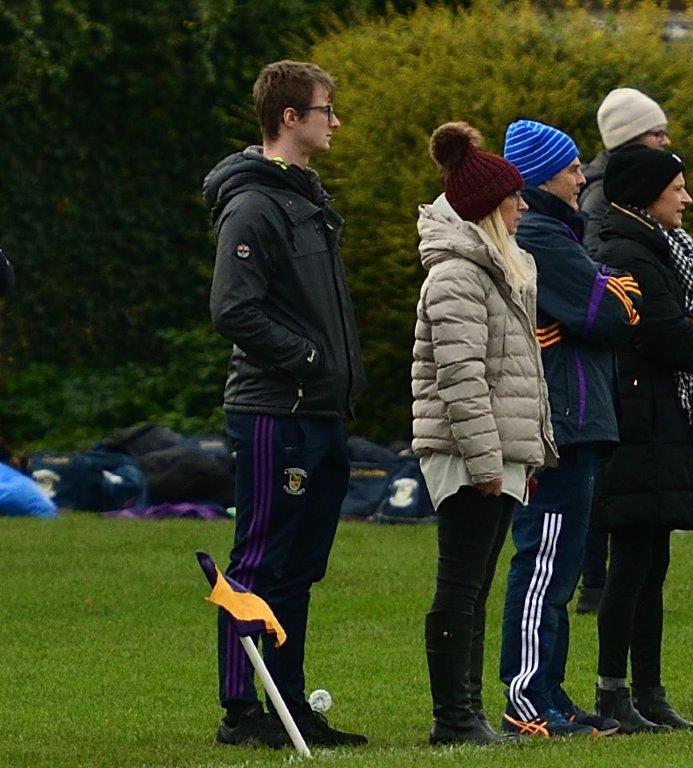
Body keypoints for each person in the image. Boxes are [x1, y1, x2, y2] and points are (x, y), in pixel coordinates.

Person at [204, 59, 367, 748]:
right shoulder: (254, 204)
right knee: (261, 560)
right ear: (291, 117)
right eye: (326, 109)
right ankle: (243, 711)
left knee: (301, 567)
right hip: (276, 410)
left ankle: (288, 703)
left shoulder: (308, 200)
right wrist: (306, 360)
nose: (335, 121)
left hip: (321, 413)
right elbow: (233, 310)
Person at [413, 121, 558, 744]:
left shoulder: (498, 271)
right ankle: (454, 717)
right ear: (487, 208)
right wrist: (485, 461)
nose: (523, 206)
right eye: (513, 197)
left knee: (476, 589)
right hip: (472, 452)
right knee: (461, 585)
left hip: (499, 451)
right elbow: (461, 377)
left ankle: (468, 713)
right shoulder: (457, 276)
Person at [498, 119, 640, 738]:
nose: (584, 177)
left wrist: (599, 302)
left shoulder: (559, 234)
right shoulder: (541, 235)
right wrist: (606, 297)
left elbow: (607, 311)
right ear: (541, 178)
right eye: (573, 168)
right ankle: (528, 695)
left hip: (577, 420)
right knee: (544, 560)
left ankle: (550, 690)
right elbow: (613, 314)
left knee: (561, 563)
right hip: (558, 424)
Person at [594, 146, 693, 732]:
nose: (685, 197)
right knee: (630, 564)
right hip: (637, 422)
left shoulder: (658, 249)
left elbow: (691, 325)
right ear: (647, 194)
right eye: (676, 187)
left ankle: (648, 690)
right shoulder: (629, 249)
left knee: (653, 563)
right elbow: (668, 334)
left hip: (658, 417)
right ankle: (614, 691)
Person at [578, 89, 671, 615]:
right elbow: (602, 278)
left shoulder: (602, 194)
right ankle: (596, 581)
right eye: (657, 134)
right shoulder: (604, 202)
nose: (666, 142)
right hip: (616, 356)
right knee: (603, 474)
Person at [580, 88, 671, 255]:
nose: (666, 141)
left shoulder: (637, 183)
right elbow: (595, 257)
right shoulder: (601, 194)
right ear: (629, 138)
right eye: (658, 134)